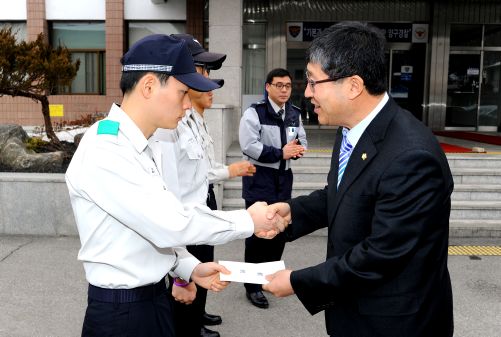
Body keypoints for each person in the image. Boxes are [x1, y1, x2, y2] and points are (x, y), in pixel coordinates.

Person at [65, 34, 287, 337]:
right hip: (122, 313)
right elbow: (168, 222)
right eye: (183, 92)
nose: (187, 104)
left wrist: (187, 268)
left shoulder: (141, 143)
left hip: (150, 299)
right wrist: (248, 220)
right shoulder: (108, 148)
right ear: (148, 86)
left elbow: (148, 227)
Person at [262, 22, 454, 337]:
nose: (306, 92)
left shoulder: (411, 157)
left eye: (313, 81)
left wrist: (298, 281)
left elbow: (382, 254)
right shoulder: (351, 127)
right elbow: (343, 193)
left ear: (352, 86)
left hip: (395, 323)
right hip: (353, 312)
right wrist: (293, 212)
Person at [154, 34, 255, 337]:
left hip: (197, 214)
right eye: (200, 69)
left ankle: (194, 320)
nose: (206, 79)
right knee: (184, 294)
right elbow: (168, 202)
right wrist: (182, 272)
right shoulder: (166, 129)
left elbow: (199, 172)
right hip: (184, 222)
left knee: (202, 273)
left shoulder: (191, 120)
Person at [239, 68, 307, 309]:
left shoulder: (294, 114)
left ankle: (268, 279)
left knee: (278, 233)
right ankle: (252, 287)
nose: (284, 90)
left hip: (283, 180)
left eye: (288, 86)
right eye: (279, 85)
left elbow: (302, 141)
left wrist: (296, 150)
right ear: (267, 87)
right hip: (260, 180)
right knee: (257, 236)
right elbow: (249, 146)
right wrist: (281, 152)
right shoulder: (254, 113)